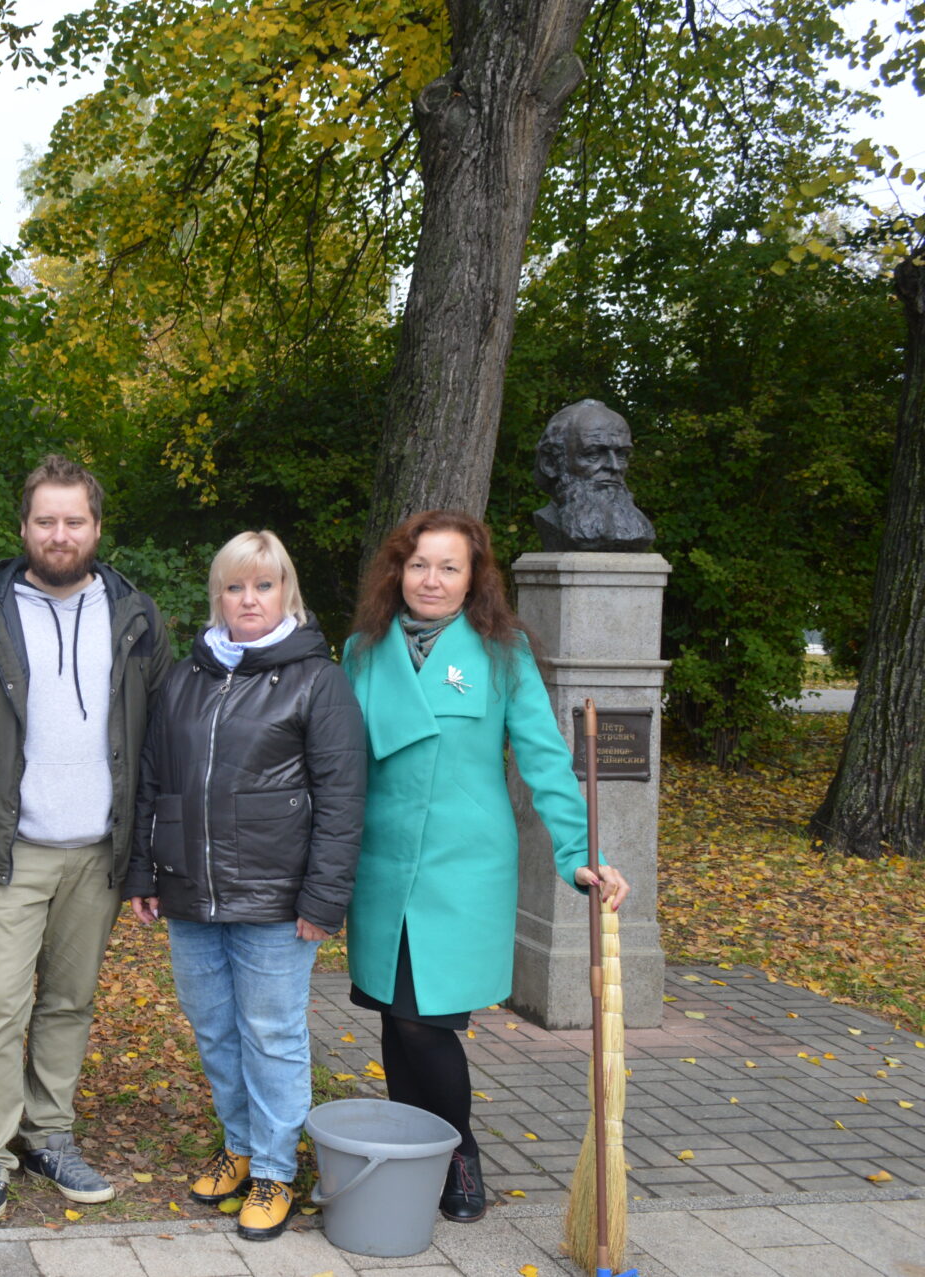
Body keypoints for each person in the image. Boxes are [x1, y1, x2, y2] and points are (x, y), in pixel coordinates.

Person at [342, 510, 630, 1223]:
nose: (431, 579)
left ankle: (460, 1150)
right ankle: (416, 1151)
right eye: (418, 565)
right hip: (380, 865)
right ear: (396, 573)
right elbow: (333, 760)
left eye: (449, 566)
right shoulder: (361, 650)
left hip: (461, 871)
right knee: (394, 1011)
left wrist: (581, 855)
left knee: (424, 1019)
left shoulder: (501, 655)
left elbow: (544, 762)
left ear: (474, 579)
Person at [0, 454, 174, 1232]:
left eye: (73, 519)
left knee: (69, 1002)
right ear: (23, 527)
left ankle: (49, 1133)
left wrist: (149, 854)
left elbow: (161, 740)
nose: (59, 533)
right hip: (7, 845)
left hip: (99, 850)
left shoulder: (136, 613)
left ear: (96, 527)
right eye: (45, 519)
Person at [124, 531, 366, 1241]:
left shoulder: (318, 681)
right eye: (235, 586)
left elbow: (343, 796)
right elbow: (154, 781)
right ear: (218, 596)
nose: (249, 599)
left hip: (275, 902)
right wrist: (145, 869)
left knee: (272, 1035)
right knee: (216, 1031)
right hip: (191, 896)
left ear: (287, 592)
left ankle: (274, 1171)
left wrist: (324, 899)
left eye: (263, 585)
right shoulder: (186, 677)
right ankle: (238, 1146)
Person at [530, 399, 655, 551]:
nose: (614, 466)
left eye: (622, 454)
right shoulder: (548, 521)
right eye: (594, 454)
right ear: (550, 463)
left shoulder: (635, 528)